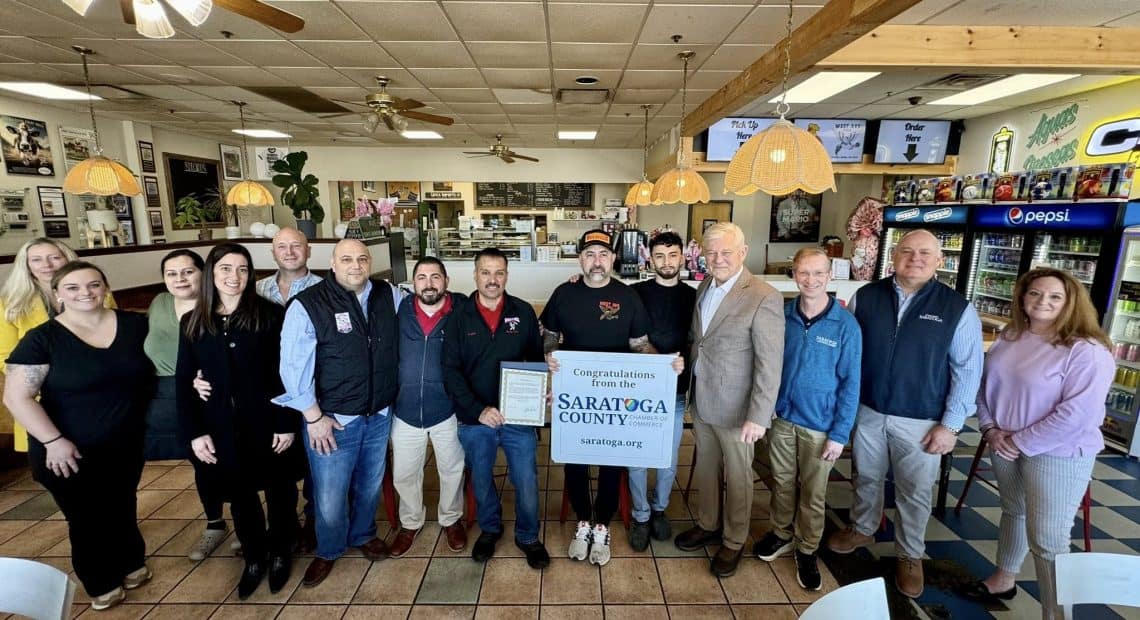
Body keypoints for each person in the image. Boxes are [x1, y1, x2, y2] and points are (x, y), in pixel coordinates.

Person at [827, 228, 983, 599]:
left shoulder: (957, 308)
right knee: (865, 475)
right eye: (908, 251)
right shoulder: (867, 296)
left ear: (939, 261)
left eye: (925, 253)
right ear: (893, 255)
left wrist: (950, 426)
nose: (915, 259)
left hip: (922, 418)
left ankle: (910, 554)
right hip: (870, 408)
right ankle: (862, 526)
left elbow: (968, 371)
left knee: (915, 491)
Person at [959, 268, 1113, 619]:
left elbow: (1078, 413)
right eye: (1035, 294)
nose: (1043, 301)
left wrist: (1020, 441)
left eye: (1055, 297)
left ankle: (1055, 614)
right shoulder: (1012, 335)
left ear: (1071, 302)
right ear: (1022, 297)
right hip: (1003, 443)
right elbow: (985, 388)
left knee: (1048, 539)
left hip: (1057, 453)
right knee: (1014, 511)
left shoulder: (1086, 350)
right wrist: (990, 430)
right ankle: (1003, 579)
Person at [3, 262, 152, 611]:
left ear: (105, 288)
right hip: (65, 448)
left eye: (93, 284)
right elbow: (16, 397)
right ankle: (101, 581)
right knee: (87, 516)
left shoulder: (134, 325)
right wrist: (53, 441)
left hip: (125, 441)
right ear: (57, 295)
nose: (84, 292)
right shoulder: (42, 338)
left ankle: (131, 562)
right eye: (72, 288)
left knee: (122, 502)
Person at [541, 229, 681, 567]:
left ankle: (602, 524)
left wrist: (665, 365)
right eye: (589, 254)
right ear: (580, 259)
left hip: (616, 399)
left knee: (610, 459)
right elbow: (548, 333)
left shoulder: (627, 297)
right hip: (575, 396)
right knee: (574, 459)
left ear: (613, 259)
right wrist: (549, 353)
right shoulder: (564, 293)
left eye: (603, 254)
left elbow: (639, 345)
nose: (597, 261)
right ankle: (583, 521)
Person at [275, 239, 404, 587]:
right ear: (332, 263)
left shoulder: (388, 294)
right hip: (332, 420)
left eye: (362, 259)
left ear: (370, 262)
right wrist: (313, 417)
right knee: (329, 495)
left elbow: (427, 301)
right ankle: (329, 549)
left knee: (369, 485)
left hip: (378, 414)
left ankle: (363, 534)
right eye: (346, 259)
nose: (355, 265)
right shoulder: (309, 304)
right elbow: (292, 368)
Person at [177, 244, 300, 599]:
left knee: (280, 492)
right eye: (226, 269)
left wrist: (285, 422)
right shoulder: (195, 321)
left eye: (243, 269)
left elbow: (286, 375)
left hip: (268, 421)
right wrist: (195, 433)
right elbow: (185, 380)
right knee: (240, 498)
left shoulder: (271, 315)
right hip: (220, 428)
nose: (235, 277)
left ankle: (280, 553)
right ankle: (254, 557)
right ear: (211, 274)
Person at [674, 222, 783, 578]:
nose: (717, 258)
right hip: (703, 399)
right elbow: (700, 339)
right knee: (706, 468)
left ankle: (734, 540)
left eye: (725, 252)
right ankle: (709, 524)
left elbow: (770, 363)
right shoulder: (705, 285)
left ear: (743, 252)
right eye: (711, 252)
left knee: (738, 477)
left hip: (739, 409)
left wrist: (759, 415)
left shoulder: (763, 295)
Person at [752, 247, 861, 590]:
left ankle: (807, 548)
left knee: (813, 494)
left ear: (829, 277)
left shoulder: (845, 325)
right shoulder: (782, 316)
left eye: (818, 273)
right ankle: (781, 532)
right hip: (783, 419)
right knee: (782, 483)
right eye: (803, 273)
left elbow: (851, 383)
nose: (810, 280)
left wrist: (840, 433)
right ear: (794, 275)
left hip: (821, 426)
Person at [442, 247, 551, 569]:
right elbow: (450, 371)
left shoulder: (523, 311)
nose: (492, 280)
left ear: (507, 275)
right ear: (474, 275)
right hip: (475, 419)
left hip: (518, 416)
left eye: (499, 272)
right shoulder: (458, 318)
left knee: (526, 478)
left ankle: (528, 536)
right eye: (486, 273)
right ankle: (490, 529)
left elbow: (534, 360)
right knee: (482, 477)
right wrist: (478, 410)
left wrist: (541, 388)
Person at [144, 249, 235, 562]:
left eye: (188, 271)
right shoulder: (159, 304)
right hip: (169, 396)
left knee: (230, 459)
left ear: (204, 273)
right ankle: (214, 523)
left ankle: (247, 523)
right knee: (199, 461)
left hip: (210, 394)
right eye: (172, 273)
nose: (180, 279)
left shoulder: (221, 306)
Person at [0, 238, 116, 452]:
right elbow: (5, 356)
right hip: (44, 396)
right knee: (59, 463)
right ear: (26, 265)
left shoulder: (97, 294)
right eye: (36, 259)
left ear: (67, 259)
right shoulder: (10, 303)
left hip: (98, 392)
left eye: (54, 257)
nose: (47, 265)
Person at [389, 257, 467, 557]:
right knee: (405, 473)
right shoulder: (399, 310)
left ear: (446, 281)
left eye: (436, 277)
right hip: (406, 408)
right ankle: (410, 522)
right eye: (422, 277)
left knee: (452, 469)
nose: (429, 283)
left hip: (448, 408)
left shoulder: (462, 310)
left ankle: (451, 519)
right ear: (413, 283)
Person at [254, 227, 322, 554]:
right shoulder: (256, 290)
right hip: (269, 393)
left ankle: (312, 520)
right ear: (273, 252)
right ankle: (282, 525)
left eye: (297, 245)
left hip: (312, 389)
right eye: (282, 246)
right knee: (276, 461)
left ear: (308, 251)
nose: (290, 251)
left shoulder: (325, 289)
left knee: (314, 458)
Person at [626, 231, 696, 552]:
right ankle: (640, 515)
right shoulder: (634, 293)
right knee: (638, 458)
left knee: (668, 459)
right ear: (649, 258)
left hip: (677, 392)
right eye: (659, 256)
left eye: (672, 255)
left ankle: (659, 509)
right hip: (639, 391)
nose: (666, 262)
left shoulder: (695, 296)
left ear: (683, 257)